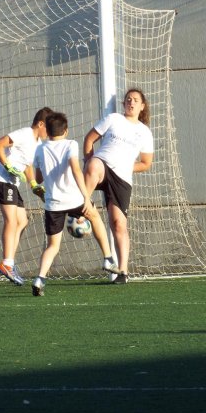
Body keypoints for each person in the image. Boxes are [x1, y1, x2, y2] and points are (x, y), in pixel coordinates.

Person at [31, 112, 120, 297]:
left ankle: (39, 279)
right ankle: (107, 258)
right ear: (66, 131)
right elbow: (76, 169)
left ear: (46, 131)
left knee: (52, 246)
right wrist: (86, 198)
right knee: (95, 217)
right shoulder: (71, 144)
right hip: (74, 199)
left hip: (53, 204)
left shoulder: (39, 149)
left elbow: (38, 178)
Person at [83, 88, 154, 284]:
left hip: (122, 178)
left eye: (135, 100)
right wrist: (88, 161)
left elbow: (146, 163)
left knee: (118, 224)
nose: (131, 102)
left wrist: (126, 166)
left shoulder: (145, 132)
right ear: (123, 104)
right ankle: (81, 209)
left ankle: (123, 272)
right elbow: (89, 139)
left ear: (142, 106)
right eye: (128, 99)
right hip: (102, 167)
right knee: (95, 164)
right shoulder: (113, 118)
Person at [0, 107, 53, 286]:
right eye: (48, 127)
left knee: (22, 220)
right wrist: (7, 166)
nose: (50, 132)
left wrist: (34, 185)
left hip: (11, 183)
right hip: (0, 179)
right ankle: (6, 264)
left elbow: (27, 166)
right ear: (40, 124)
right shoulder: (25, 134)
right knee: (11, 220)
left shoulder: (37, 143)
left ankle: (10, 262)